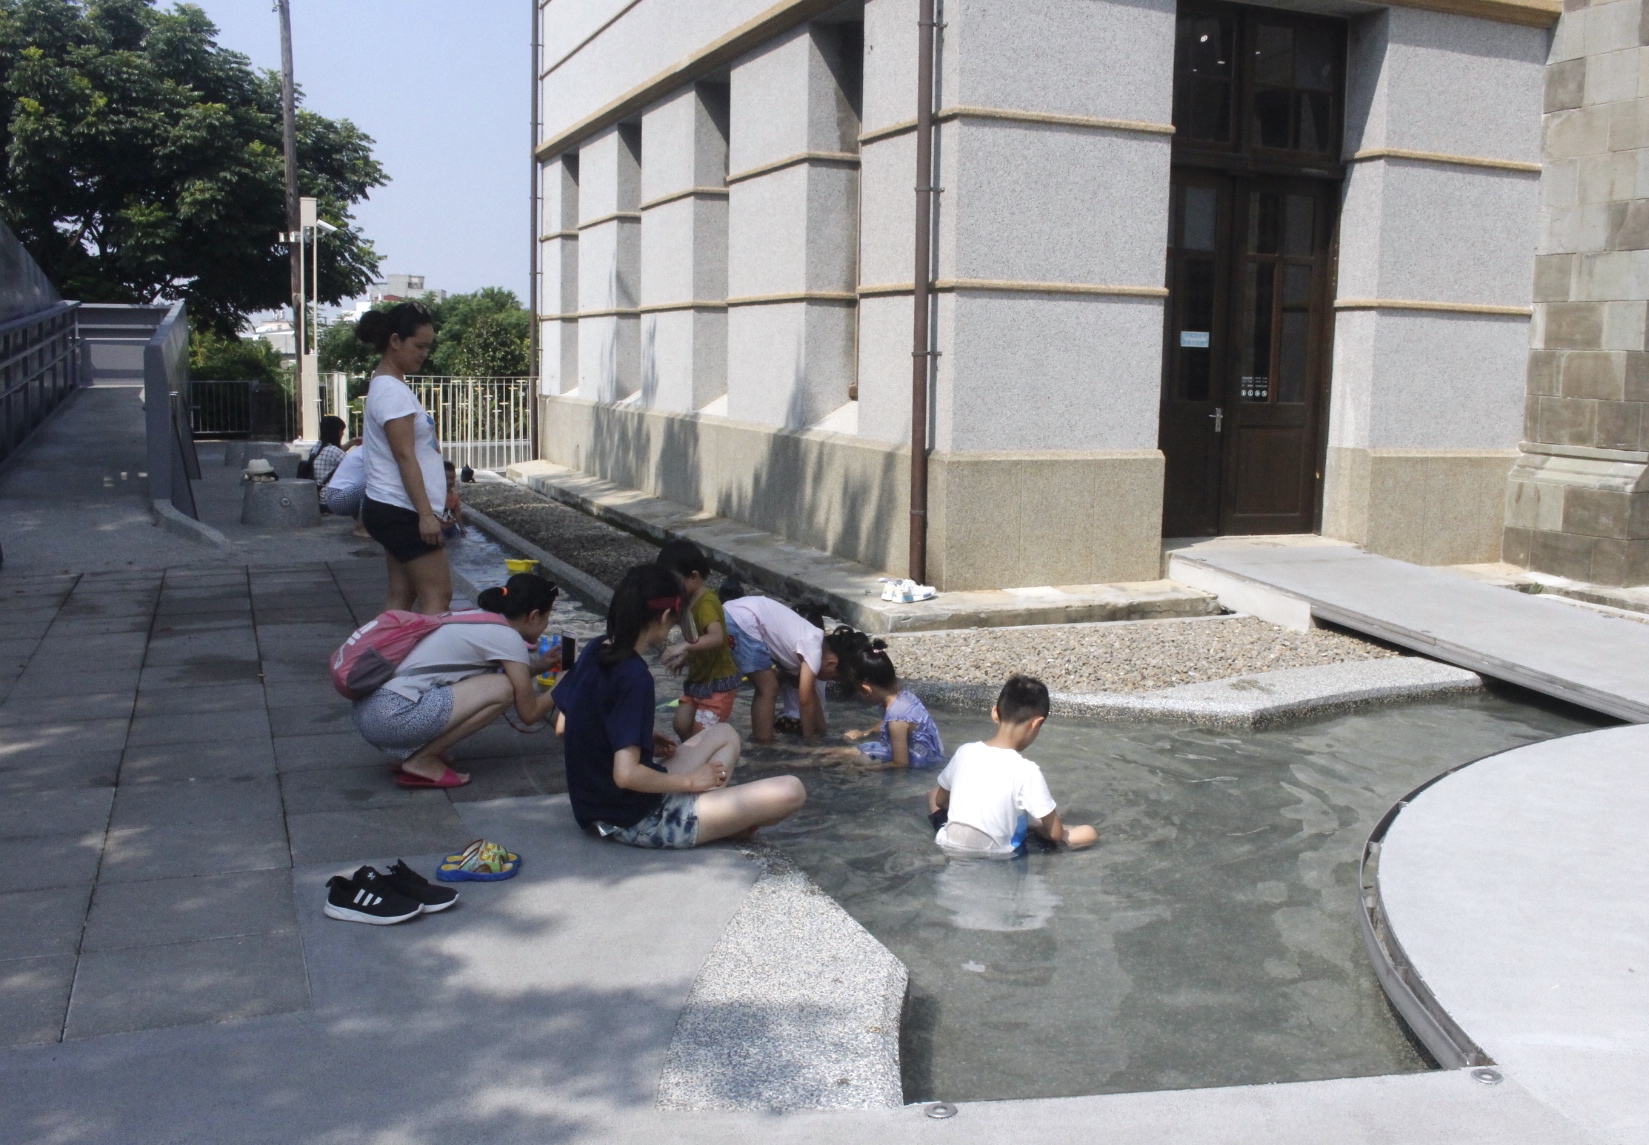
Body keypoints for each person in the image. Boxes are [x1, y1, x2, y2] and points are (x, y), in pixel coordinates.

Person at [552, 563, 805, 848]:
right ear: (663, 617)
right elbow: (626, 775)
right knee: (791, 791)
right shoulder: (636, 677)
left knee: (723, 733)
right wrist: (689, 782)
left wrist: (639, 738)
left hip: (595, 807)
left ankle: (713, 816)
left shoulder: (596, 648)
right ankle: (710, 819)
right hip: (636, 820)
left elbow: (565, 726)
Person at [352, 573, 560, 788]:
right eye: (547, 618)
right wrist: (564, 683)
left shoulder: (477, 617)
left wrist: (538, 667)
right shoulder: (507, 637)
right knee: (503, 689)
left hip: (368, 711)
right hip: (392, 716)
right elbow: (529, 713)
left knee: (498, 683)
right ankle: (422, 760)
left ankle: (416, 753)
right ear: (534, 615)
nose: (546, 624)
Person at [927, 675, 1097, 858]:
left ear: (994, 713)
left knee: (933, 794)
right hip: (997, 853)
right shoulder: (1027, 771)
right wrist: (1038, 828)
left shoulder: (964, 751)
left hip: (949, 843)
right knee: (1089, 832)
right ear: (1036, 724)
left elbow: (940, 801)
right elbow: (1055, 834)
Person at [357, 302, 451, 614]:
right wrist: (426, 515)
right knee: (438, 595)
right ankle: (426, 663)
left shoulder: (389, 385)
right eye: (419, 345)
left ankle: (377, 661)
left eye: (428, 346)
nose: (424, 353)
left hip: (391, 506)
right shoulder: (392, 392)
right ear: (395, 341)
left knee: (402, 595)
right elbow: (405, 456)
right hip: (402, 509)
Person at [722, 594, 857, 742]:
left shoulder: (811, 641)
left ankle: (761, 737)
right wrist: (810, 738)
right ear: (831, 663)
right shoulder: (814, 649)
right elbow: (805, 701)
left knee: (767, 688)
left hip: (735, 613)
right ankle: (763, 743)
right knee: (768, 689)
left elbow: (812, 697)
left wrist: (823, 730)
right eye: (832, 677)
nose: (828, 679)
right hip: (744, 620)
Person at [657, 539, 739, 741]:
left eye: (674, 582)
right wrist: (686, 656)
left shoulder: (707, 603)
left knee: (702, 736)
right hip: (699, 680)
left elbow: (716, 637)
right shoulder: (688, 603)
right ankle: (694, 757)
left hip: (717, 685)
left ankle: (705, 761)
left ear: (694, 576)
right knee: (680, 724)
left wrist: (683, 646)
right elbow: (700, 642)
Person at [840, 635, 945, 768]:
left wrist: (870, 768)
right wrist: (866, 732)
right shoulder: (902, 697)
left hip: (920, 763)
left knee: (848, 758)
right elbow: (887, 722)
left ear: (866, 689)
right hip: (924, 753)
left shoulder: (897, 719)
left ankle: (808, 761)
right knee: (842, 753)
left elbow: (901, 764)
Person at [304, 416, 350, 487]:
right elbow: (352, 464)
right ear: (335, 431)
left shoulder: (317, 447)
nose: (343, 434)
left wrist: (351, 443)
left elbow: (333, 452)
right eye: (341, 430)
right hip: (330, 493)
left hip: (317, 491)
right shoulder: (334, 451)